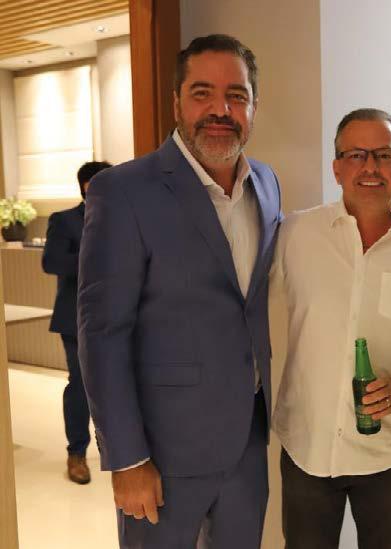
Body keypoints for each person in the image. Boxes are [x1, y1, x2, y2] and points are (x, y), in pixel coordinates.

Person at [77, 34, 282, 548]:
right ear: (176, 102)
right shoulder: (123, 191)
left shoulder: (267, 184)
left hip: (247, 443)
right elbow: (103, 335)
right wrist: (127, 458)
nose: (221, 110)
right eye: (202, 93)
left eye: (236, 95)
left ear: (254, 106)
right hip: (162, 453)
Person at [271, 108, 391, 549]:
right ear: (336, 168)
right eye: (356, 155)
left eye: (383, 154)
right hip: (307, 446)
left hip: (385, 452)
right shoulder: (296, 234)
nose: (370, 167)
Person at [42, 160, 111, 484]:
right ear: (86, 186)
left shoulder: (125, 218)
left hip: (121, 316)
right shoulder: (64, 220)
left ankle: (121, 449)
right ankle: (77, 453)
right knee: (81, 386)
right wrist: (97, 259)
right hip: (76, 318)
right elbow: (52, 262)